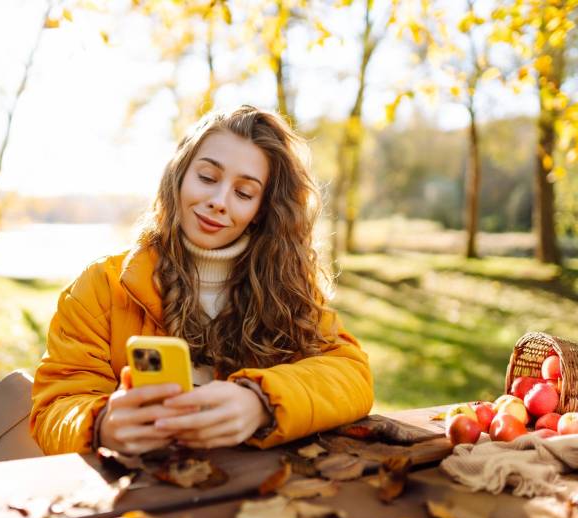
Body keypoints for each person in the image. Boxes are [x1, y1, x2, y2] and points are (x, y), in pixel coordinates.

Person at [29, 105, 373, 456]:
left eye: (244, 193)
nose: (218, 202)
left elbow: (350, 375)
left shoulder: (288, 290)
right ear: (178, 177)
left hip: (254, 494)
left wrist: (262, 401)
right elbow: (55, 407)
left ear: (261, 211)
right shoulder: (104, 284)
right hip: (138, 498)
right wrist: (102, 424)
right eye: (207, 178)